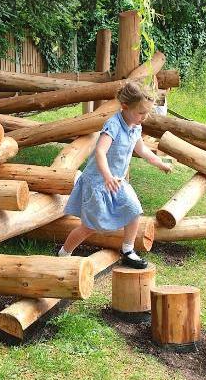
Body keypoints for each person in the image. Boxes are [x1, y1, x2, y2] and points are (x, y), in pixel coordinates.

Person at [57, 82, 172, 269]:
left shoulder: (135, 126)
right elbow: (100, 152)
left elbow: (141, 149)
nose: (145, 117)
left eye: (147, 112)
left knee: (134, 210)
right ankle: (64, 254)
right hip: (98, 181)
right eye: (141, 112)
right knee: (90, 226)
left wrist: (159, 163)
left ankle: (128, 250)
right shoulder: (113, 125)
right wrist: (108, 176)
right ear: (125, 107)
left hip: (116, 181)